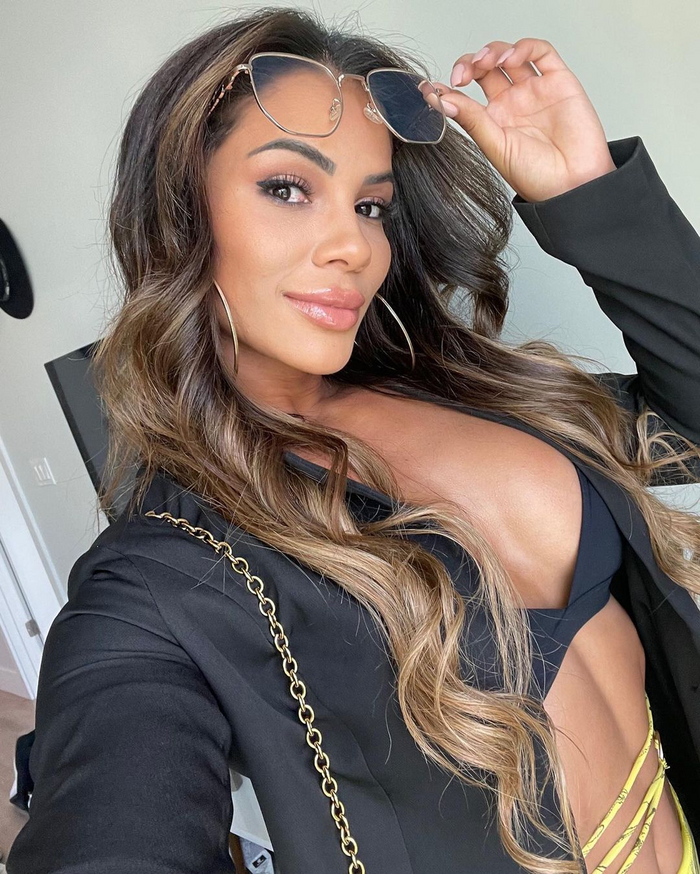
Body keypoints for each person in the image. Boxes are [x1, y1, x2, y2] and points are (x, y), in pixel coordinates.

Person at [7, 7, 700, 874]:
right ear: (179, 212)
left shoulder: (477, 392)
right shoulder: (164, 575)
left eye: (371, 205)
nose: (353, 247)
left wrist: (587, 194)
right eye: (287, 188)